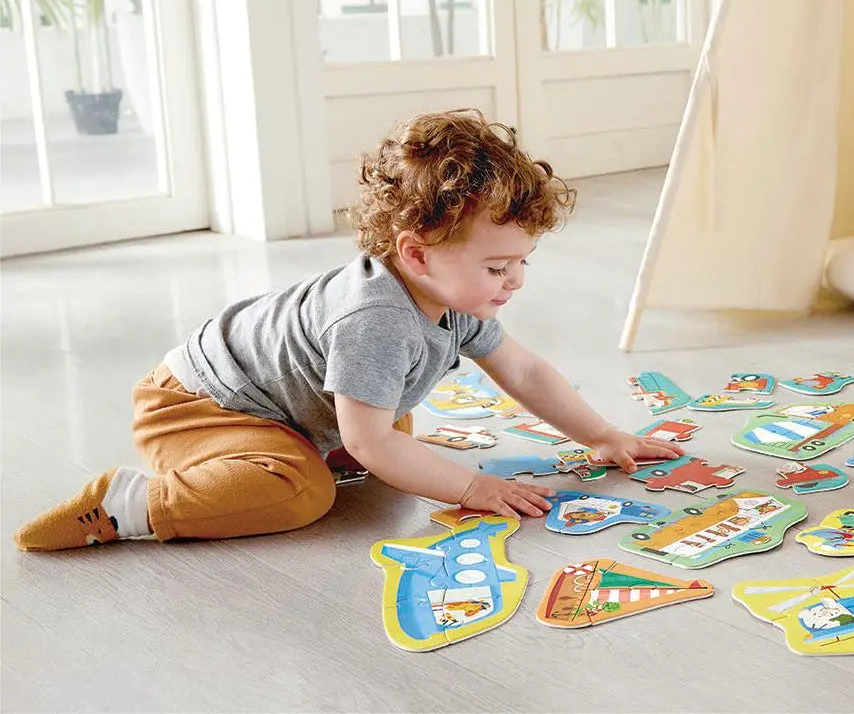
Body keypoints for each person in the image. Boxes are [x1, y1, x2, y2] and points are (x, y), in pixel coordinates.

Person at [15, 109, 682, 551]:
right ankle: (126, 505)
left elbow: (526, 371)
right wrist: (474, 487)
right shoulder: (376, 321)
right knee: (304, 492)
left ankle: (312, 445)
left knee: (396, 429)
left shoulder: (451, 296)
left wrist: (600, 434)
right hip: (195, 409)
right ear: (416, 253)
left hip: (279, 405)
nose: (515, 282)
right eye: (499, 265)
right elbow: (370, 441)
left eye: (521, 263)